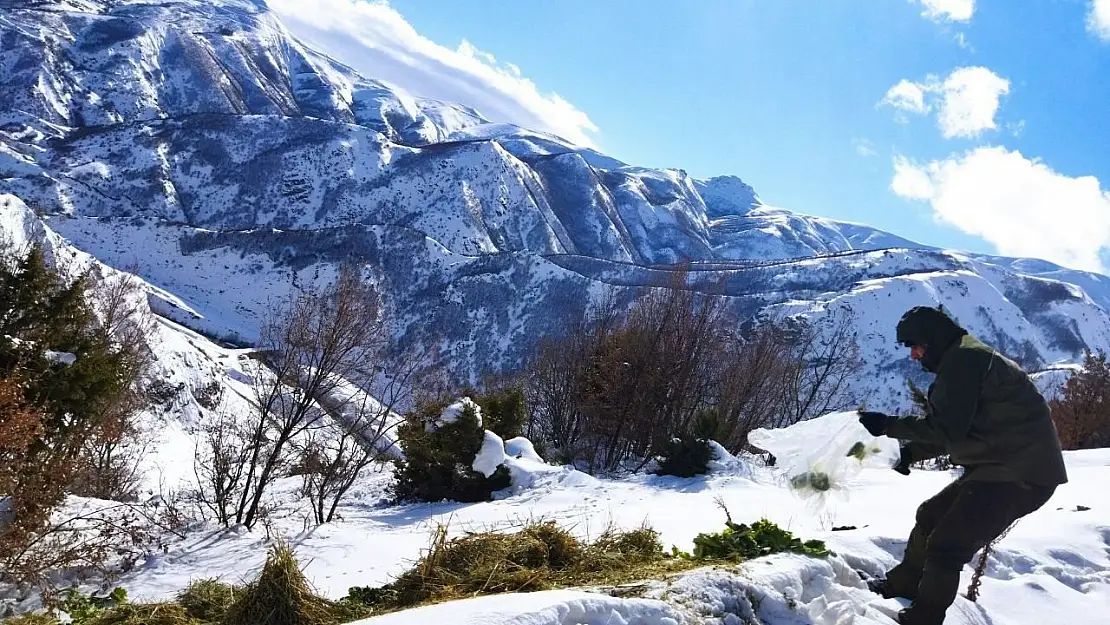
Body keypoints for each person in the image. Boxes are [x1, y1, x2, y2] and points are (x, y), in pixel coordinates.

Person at [857, 306, 1067, 625]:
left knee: (947, 543)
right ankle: (902, 585)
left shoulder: (964, 361)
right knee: (931, 516)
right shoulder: (963, 356)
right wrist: (910, 453)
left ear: (933, 340)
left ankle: (923, 619)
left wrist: (889, 425)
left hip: (1019, 474)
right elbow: (961, 426)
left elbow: (947, 428)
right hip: (1000, 466)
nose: (914, 356)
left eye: (917, 347)